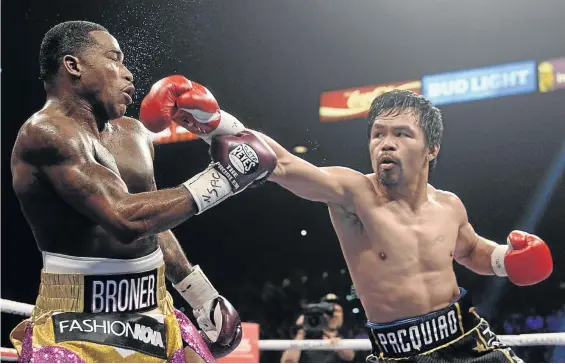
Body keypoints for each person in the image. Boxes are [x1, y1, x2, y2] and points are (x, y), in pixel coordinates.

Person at [143, 76, 554, 363]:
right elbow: (282, 164)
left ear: (432, 149)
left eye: (401, 134)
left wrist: (506, 259)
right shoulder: (354, 194)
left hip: (466, 338)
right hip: (398, 353)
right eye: (378, 134)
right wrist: (216, 122)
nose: (386, 144)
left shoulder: (450, 205)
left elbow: (471, 251)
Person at [10, 21, 276, 363]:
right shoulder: (45, 134)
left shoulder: (133, 134)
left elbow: (154, 223)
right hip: (77, 321)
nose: (128, 73)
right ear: (73, 66)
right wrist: (224, 179)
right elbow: (124, 218)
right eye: (114, 59)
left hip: (155, 306)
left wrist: (200, 294)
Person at [280, 294, 355, 363]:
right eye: (329, 312)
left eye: (337, 311)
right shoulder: (305, 334)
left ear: (342, 315)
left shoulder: (348, 333)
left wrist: (338, 345)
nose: (334, 315)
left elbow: (351, 357)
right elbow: (288, 361)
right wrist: (301, 332)